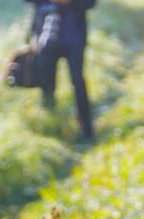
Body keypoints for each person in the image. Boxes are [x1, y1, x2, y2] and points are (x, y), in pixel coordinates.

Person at [26, 0, 96, 141]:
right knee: (47, 84)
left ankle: (86, 130)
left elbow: (91, 3)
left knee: (78, 81)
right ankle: (50, 128)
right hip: (45, 37)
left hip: (74, 36)